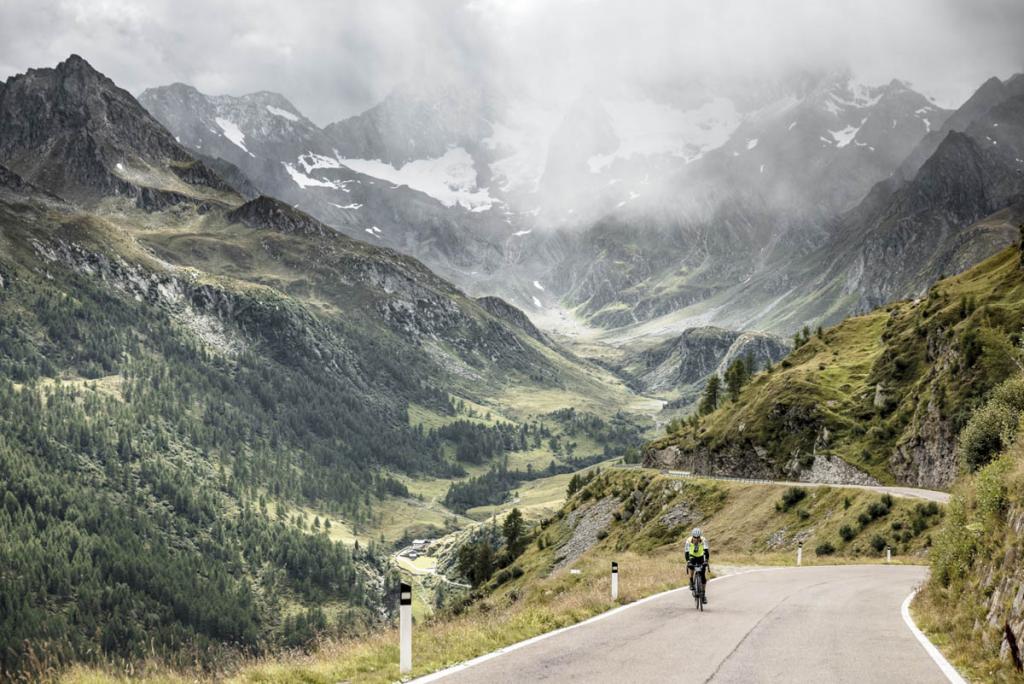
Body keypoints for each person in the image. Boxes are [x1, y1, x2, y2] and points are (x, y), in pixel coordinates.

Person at [685, 527, 710, 604]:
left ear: (700, 536)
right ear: (692, 536)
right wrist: (688, 561)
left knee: (703, 577)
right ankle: (691, 582)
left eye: (698, 537)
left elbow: (706, 552)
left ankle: (703, 595)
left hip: (701, 557)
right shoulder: (688, 541)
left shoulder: (703, 540)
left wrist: (706, 561)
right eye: (695, 537)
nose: (696, 539)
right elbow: (686, 553)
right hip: (692, 556)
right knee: (691, 568)